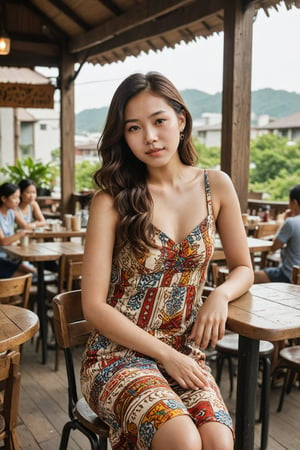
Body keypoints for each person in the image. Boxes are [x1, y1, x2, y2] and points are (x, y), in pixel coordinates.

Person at [80, 72, 253, 450]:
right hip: (116, 356)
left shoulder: (216, 185)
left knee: (219, 441)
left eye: (159, 121)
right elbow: (92, 306)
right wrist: (166, 356)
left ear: (181, 120)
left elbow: (244, 267)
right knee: (182, 440)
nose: (150, 137)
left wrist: (219, 296)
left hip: (186, 352)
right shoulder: (110, 200)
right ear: (123, 136)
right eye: (134, 128)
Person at [254, 184, 300, 284]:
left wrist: (280, 222)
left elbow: (274, 247)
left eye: (289, 202)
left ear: (294, 203)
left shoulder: (291, 222)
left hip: (290, 275)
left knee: (250, 277)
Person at [0, 182, 36, 278]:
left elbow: (26, 226)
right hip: (2, 259)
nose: (18, 201)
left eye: (18, 197)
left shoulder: (11, 212)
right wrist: (21, 233)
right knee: (29, 277)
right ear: (3, 199)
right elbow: (3, 241)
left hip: (10, 257)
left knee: (34, 273)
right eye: (14, 198)